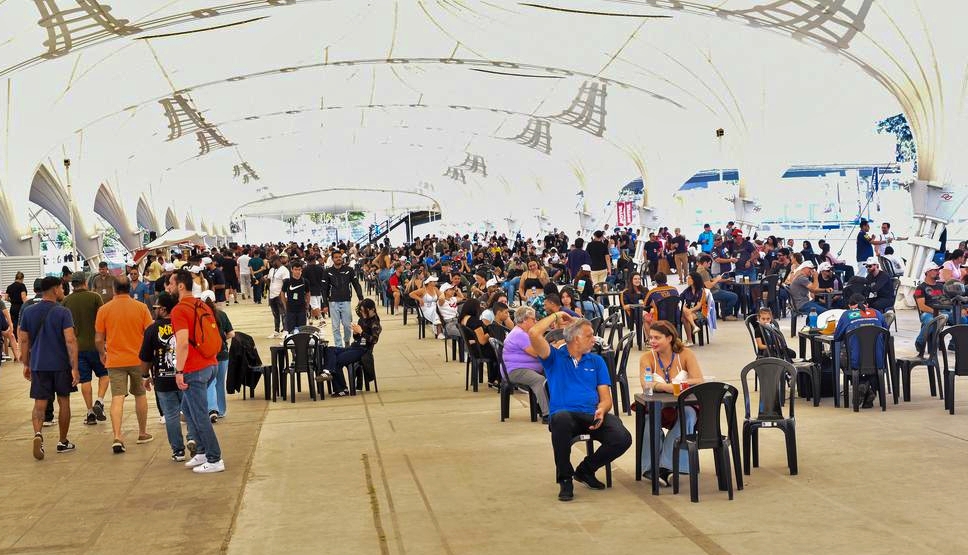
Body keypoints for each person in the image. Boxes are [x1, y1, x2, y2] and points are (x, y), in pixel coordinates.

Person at [528, 312, 632, 501]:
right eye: (589, 336)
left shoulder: (596, 361)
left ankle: (585, 470)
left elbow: (606, 399)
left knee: (622, 437)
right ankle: (565, 479)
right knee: (560, 419)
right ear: (576, 339)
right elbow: (534, 333)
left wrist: (602, 409)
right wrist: (557, 315)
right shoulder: (554, 357)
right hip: (565, 417)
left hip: (592, 415)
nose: (594, 339)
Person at [169, 268, 225, 473]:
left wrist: (179, 371)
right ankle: (201, 451)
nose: (168, 287)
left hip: (194, 368)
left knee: (200, 415)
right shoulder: (202, 304)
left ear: (180, 286)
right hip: (211, 363)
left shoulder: (179, 310)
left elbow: (182, 343)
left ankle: (214, 458)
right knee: (188, 408)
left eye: (171, 284)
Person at [18, 276, 79, 460]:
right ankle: (63, 441)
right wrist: (75, 367)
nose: (63, 290)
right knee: (64, 401)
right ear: (54, 290)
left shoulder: (28, 311)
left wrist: (27, 363)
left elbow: (23, 340)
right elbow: (70, 340)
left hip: (38, 364)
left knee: (40, 404)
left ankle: (38, 434)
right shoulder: (63, 312)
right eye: (61, 288)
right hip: (61, 365)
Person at [637, 320, 704, 486]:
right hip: (659, 405)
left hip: (684, 404)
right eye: (650, 337)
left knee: (688, 415)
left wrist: (675, 385)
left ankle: (667, 465)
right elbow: (645, 384)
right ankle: (650, 467)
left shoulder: (685, 354)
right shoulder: (647, 358)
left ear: (669, 338)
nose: (652, 341)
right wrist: (666, 387)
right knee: (649, 420)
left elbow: (699, 380)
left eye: (657, 338)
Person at [95, 278, 154, 454]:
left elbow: (98, 339)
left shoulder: (104, 309)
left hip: (115, 360)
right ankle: (142, 433)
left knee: (117, 397)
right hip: (138, 359)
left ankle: (117, 436)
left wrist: (102, 353)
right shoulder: (141, 308)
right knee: (140, 395)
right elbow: (149, 333)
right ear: (129, 288)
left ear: (114, 289)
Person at [139, 292, 198, 462]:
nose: (154, 310)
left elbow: (145, 358)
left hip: (163, 379)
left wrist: (145, 376)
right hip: (185, 375)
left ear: (163, 309)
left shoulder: (152, 329)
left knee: (171, 415)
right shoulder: (184, 324)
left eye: (156, 307)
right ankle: (193, 438)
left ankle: (178, 451)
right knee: (191, 410)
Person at [62, 273, 109, 426]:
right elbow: (103, 319)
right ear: (84, 282)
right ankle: (99, 401)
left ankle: (90, 413)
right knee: (104, 374)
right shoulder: (95, 297)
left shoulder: (66, 301)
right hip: (96, 344)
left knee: (85, 380)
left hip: (77, 348)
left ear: (72, 284)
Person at [316, 298, 382, 397]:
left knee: (337, 360)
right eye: (361, 311)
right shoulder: (362, 319)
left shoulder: (375, 322)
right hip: (354, 347)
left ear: (371, 310)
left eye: (364, 311)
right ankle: (327, 371)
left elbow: (374, 340)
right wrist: (355, 333)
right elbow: (356, 338)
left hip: (363, 350)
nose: (362, 313)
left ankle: (341, 389)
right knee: (329, 349)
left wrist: (361, 332)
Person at [833, 294, 887, 409]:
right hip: (877, 359)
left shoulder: (847, 315)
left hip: (855, 360)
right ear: (867, 304)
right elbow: (886, 333)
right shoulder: (877, 313)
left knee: (840, 357)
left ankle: (861, 383)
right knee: (874, 359)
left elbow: (837, 337)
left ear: (850, 306)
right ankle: (868, 391)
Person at [502, 306, 550, 418]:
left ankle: (541, 405)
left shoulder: (521, 332)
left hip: (521, 368)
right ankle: (547, 414)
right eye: (533, 319)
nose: (535, 321)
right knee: (539, 380)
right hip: (515, 371)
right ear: (524, 320)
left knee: (552, 374)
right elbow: (538, 353)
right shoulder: (520, 334)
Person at [199, 291, 234, 423]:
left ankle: (212, 409)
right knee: (220, 383)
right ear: (214, 300)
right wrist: (222, 338)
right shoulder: (222, 315)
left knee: (210, 382)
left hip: (208, 354)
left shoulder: (201, 316)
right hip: (223, 353)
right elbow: (232, 333)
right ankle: (221, 410)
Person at [321, 250, 364, 348]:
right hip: (333, 302)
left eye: (339, 257)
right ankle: (339, 346)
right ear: (332, 259)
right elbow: (324, 289)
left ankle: (347, 341)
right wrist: (325, 304)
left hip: (346, 301)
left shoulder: (349, 270)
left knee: (347, 325)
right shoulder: (327, 272)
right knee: (335, 326)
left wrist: (360, 298)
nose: (338, 259)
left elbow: (356, 284)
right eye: (336, 257)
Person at [913, 262, 948, 357]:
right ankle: (920, 342)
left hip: (944, 311)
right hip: (928, 313)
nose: (938, 272)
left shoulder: (941, 286)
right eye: (936, 270)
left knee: (963, 319)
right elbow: (922, 307)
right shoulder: (920, 288)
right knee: (931, 321)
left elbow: (947, 300)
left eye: (938, 270)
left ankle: (955, 344)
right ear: (928, 272)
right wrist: (937, 313)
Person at [696, 255, 738, 320]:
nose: (709, 265)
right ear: (705, 263)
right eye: (709, 263)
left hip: (711, 291)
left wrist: (725, 280)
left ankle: (724, 313)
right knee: (734, 296)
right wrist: (717, 279)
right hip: (712, 292)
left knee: (727, 294)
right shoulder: (703, 272)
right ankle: (726, 314)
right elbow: (708, 286)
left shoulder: (699, 270)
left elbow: (711, 280)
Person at [280, 261, 309, 333]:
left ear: (301, 270)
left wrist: (307, 305)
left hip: (301, 309)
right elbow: (282, 292)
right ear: (292, 270)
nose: (297, 271)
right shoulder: (287, 281)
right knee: (291, 330)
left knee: (302, 330)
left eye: (299, 269)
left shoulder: (305, 281)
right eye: (295, 269)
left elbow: (308, 293)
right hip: (290, 309)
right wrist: (284, 304)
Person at [680, 272, 708, 346]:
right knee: (684, 315)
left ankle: (690, 340)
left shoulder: (701, 291)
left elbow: (698, 306)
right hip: (690, 313)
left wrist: (688, 310)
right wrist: (685, 309)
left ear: (694, 280)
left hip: (700, 312)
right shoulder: (687, 290)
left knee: (684, 317)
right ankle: (694, 327)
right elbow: (680, 299)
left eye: (689, 278)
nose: (687, 280)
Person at [266, 256, 289, 339]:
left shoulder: (284, 270)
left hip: (280, 295)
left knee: (283, 313)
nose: (272, 263)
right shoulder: (271, 270)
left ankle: (285, 330)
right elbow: (269, 280)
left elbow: (286, 283)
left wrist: (282, 294)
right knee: (275, 314)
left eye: (273, 262)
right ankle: (276, 331)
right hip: (272, 295)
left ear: (278, 260)